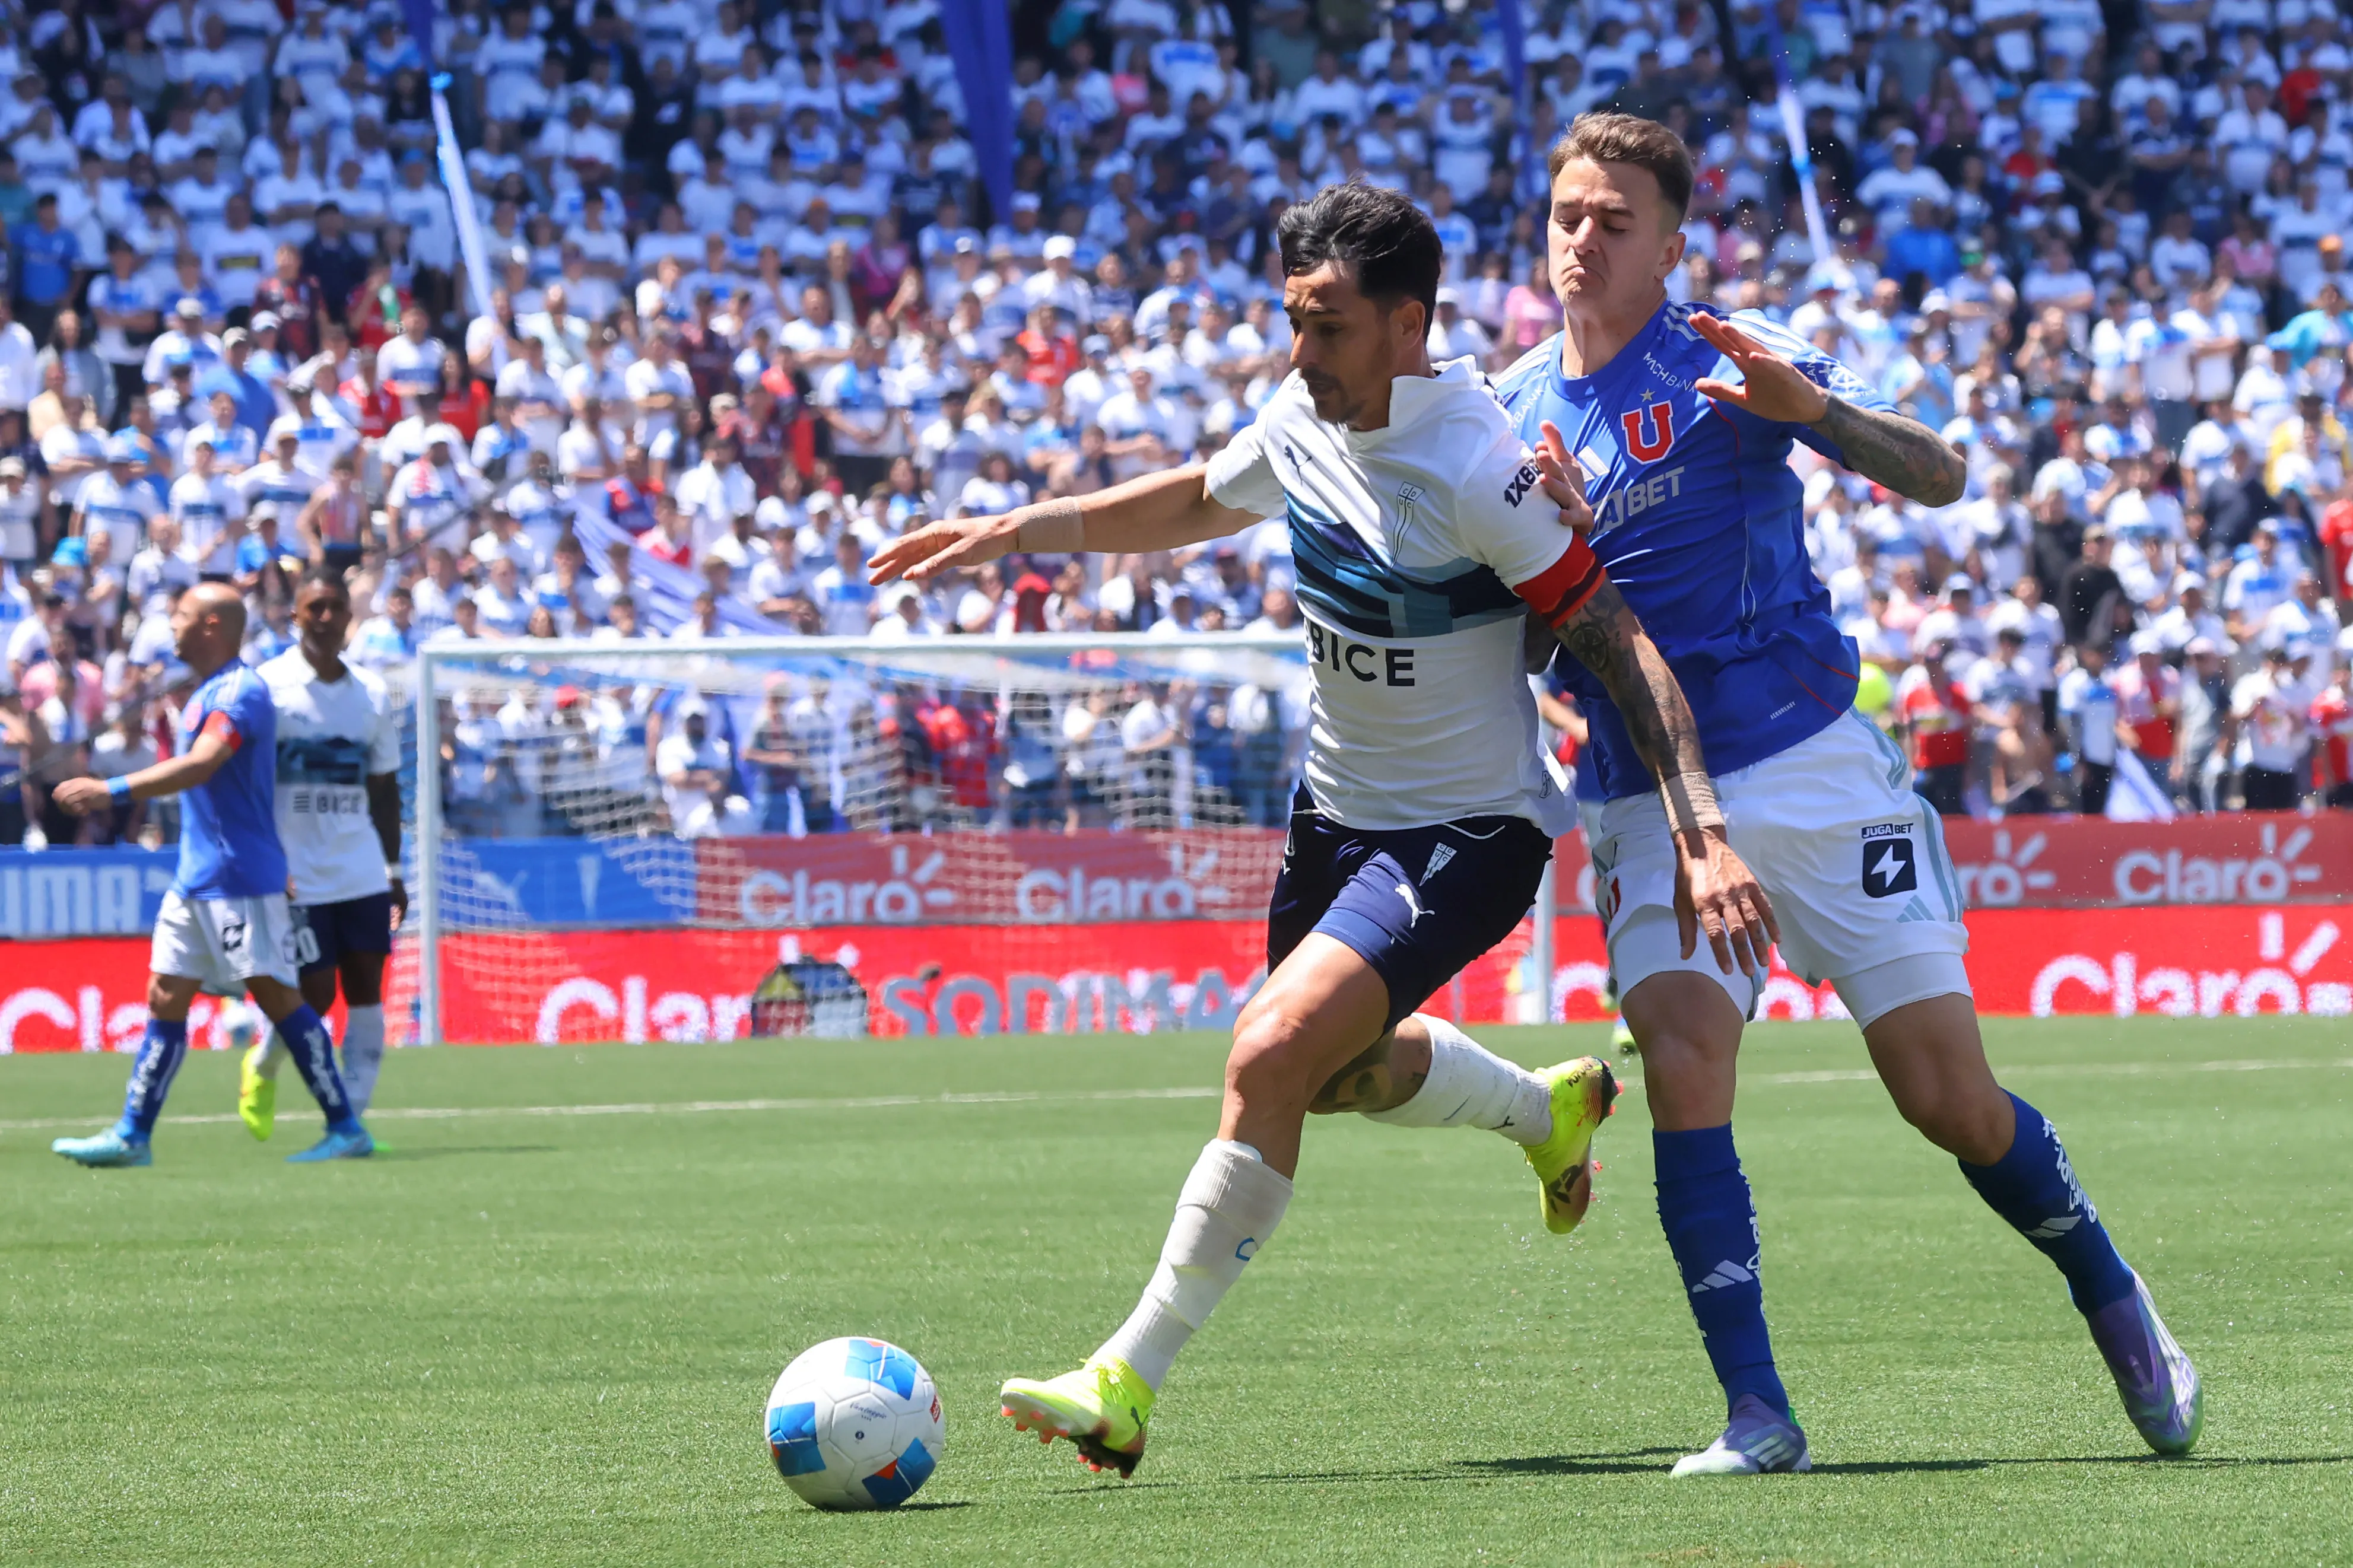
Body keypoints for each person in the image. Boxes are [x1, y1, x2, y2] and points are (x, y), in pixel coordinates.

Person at [870, 182, 1768, 1477]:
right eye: (1292, 321)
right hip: (1333, 819)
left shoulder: (1477, 464)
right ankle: (1542, 1110)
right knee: (1333, 1077)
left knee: (1270, 1051)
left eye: (1328, 327)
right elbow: (1194, 497)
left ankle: (1124, 1377)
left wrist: (1699, 825)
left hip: (1466, 833)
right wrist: (1017, 530)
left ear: (1407, 324)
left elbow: (1610, 635)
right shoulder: (1302, 411)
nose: (1300, 354)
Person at [1490, 113, 2199, 1474]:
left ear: (1673, 244)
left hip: (1812, 759)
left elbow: (1939, 477)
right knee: (1688, 1060)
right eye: (1567, 213)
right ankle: (1758, 1412)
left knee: (1946, 1097)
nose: (1582, 238)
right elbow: (1529, 642)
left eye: (1614, 218)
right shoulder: (1510, 418)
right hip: (1641, 788)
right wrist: (1547, 540)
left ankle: (2110, 1291)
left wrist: (1812, 411)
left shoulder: (1724, 363)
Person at [46, 581, 371, 1168]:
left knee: (276, 997)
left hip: (239, 877)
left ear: (213, 627)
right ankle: (133, 1135)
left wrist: (109, 790)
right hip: (197, 875)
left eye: (180, 613)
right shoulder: (207, 691)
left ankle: (346, 1127)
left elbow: (203, 764)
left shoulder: (242, 691)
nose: (170, 623)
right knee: (165, 995)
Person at [242, 568, 405, 1140]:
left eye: (337, 608)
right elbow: (249, 785)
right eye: (316, 608)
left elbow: (384, 790)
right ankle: (262, 1066)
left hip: (360, 866)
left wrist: (394, 870)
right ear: (295, 616)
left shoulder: (372, 693)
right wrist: (263, 860)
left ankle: (350, 1122)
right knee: (313, 992)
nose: (328, 618)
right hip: (294, 870)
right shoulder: (266, 687)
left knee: (365, 990)